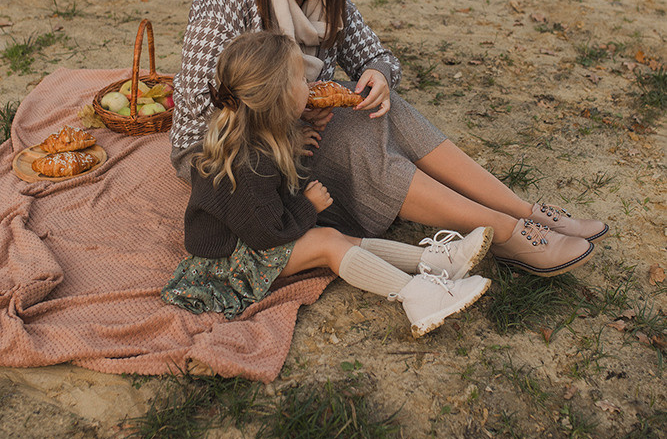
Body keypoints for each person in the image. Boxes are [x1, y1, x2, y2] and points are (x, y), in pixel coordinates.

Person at [170, 0, 607, 276]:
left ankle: (522, 210)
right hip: (228, 150)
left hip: (296, 124)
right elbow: (199, 105)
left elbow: (378, 57)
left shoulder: (329, 2)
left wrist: (378, 75)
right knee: (355, 143)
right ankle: (507, 234)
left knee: (385, 106)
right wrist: (292, 121)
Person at [162, 32, 493, 338]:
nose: (312, 84)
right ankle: (419, 297)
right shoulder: (249, 165)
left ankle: (435, 262)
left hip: (247, 240)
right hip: (229, 265)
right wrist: (308, 207)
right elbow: (266, 234)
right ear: (279, 99)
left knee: (333, 236)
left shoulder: (259, 136)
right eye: (303, 80)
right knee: (327, 244)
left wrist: (294, 146)